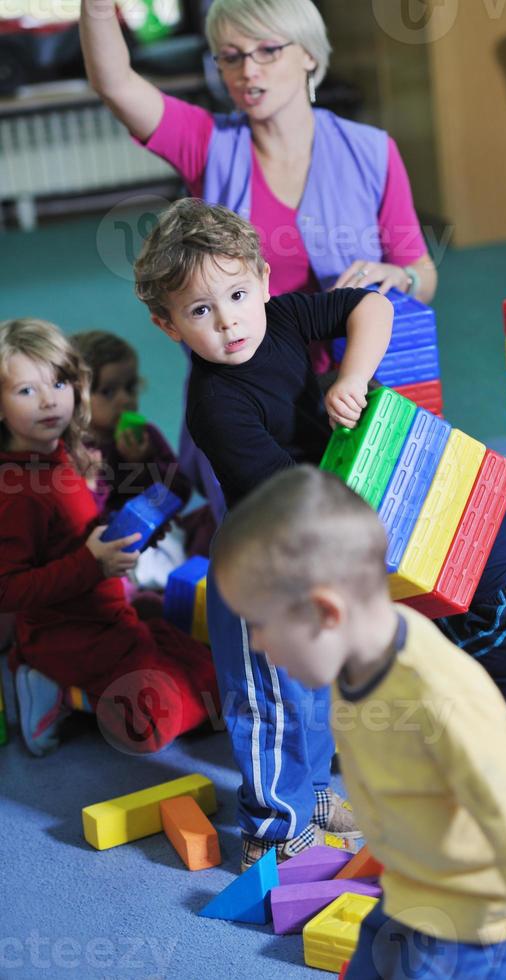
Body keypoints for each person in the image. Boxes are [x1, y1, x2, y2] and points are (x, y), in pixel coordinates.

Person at [212, 465, 506, 980]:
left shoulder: (440, 698)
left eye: (261, 626)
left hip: (471, 932)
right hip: (407, 892)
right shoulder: (358, 662)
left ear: (326, 613)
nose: (257, 645)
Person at [79, 0, 437, 518]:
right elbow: (113, 81)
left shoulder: (372, 150)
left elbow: (422, 276)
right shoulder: (209, 143)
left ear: (310, 55)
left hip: (355, 395)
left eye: (268, 50)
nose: (249, 70)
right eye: (230, 56)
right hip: (249, 402)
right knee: (277, 544)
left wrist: (399, 275)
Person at [134, 196, 394, 867]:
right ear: (169, 327)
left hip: (310, 537)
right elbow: (290, 498)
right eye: (200, 311)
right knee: (269, 699)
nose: (228, 321)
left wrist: (352, 376)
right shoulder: (216, 406)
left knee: (311, 691)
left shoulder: (280, 319)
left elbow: (371, 305)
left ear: (264, 281)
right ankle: (272, 830)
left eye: (238, 294)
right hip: (264, 562)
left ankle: (305, 797)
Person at [0, 318, 220, 757]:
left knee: (219, 673)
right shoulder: (16, 491)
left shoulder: (67, 453)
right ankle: (58, 688)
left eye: (59, 383)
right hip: (72, 635)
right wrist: (91, 563)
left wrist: (132, 472)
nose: (49, 401)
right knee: (158, 724)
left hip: (110, 612)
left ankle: (62, 675)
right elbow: (8, 588)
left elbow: (146, 501)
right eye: (27, 391)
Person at [71, 330, 216, 577]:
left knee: (212, 524)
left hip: (154, 534)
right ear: (76, 395)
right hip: (105, 543)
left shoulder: (146, 435)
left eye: (131, 387)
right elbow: (78, 515)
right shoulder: (73, 447)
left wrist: (142, 463)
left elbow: (180, 490)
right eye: (108, 392)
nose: (125, 400)